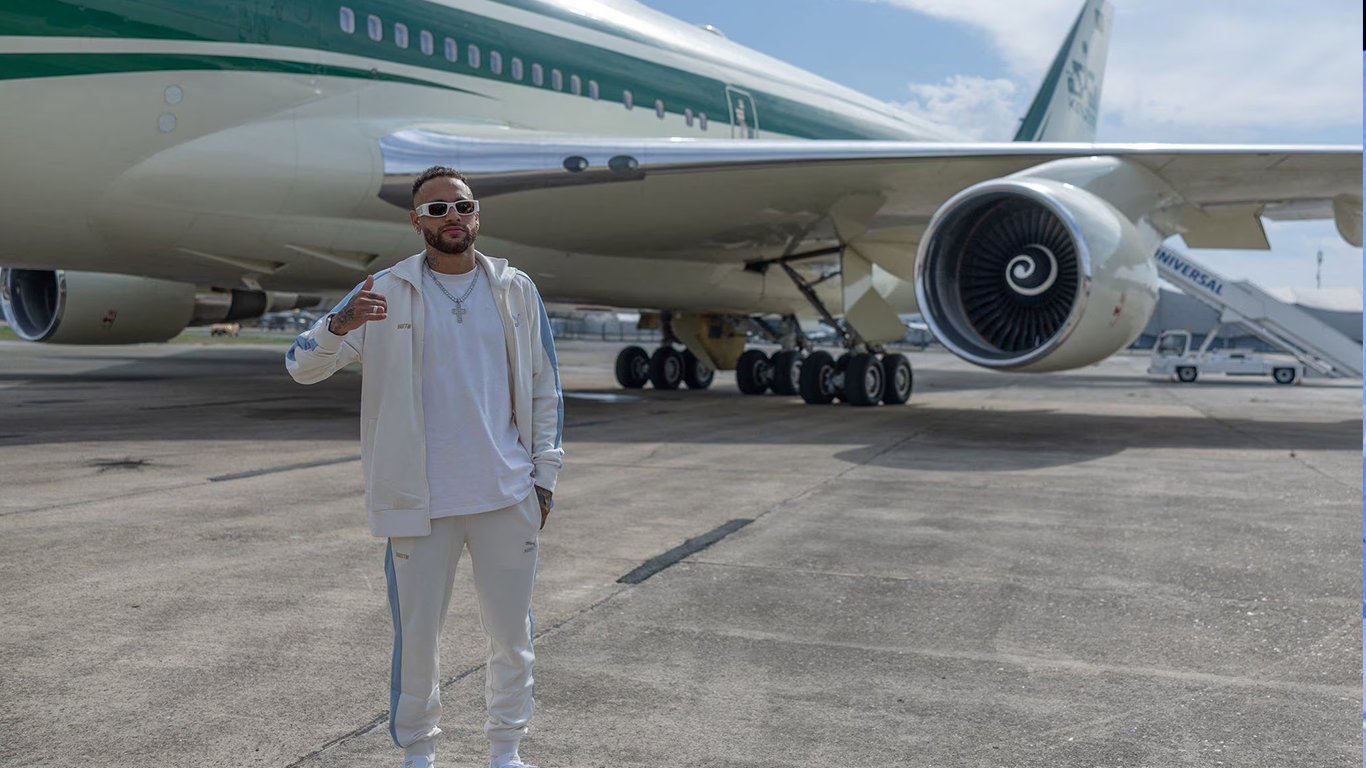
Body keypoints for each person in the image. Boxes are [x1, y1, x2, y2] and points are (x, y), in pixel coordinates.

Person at [286, 166, 564, 768]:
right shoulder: (382, 292)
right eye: (435, 210)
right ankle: (419, 752)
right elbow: (300, 365)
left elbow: (545, 390)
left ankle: (506, 750)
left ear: (476, 214)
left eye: (460, 206)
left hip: (505, 495)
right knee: (418, 640)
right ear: (416, 221)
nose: (450, 218)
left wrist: (544, 477)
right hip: (420, 503)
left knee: (512, 636)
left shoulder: (517, 291)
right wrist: (341, 323)